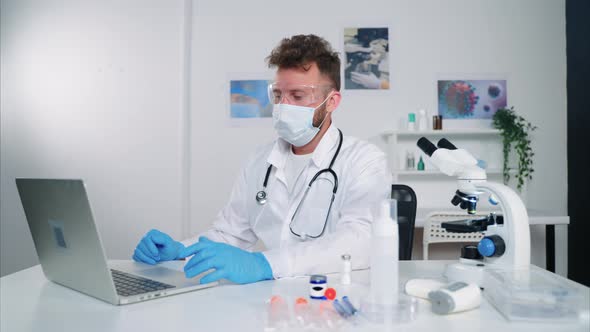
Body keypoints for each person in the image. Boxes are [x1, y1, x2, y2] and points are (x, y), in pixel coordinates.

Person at [132, 34, 391, 285]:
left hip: (336, 299)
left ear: (331, 101)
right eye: (278, 95)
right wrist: (180, 250)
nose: (283, 106)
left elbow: (361, 241)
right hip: (273, 301)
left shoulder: (364, 160)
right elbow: (231, 233)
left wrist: (265, 264)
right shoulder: (260, 161)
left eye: (298, 96)